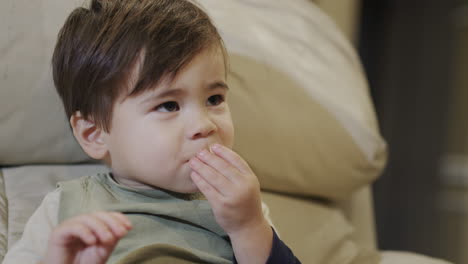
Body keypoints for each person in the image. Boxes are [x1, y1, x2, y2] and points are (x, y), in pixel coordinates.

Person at [3, 0, 300, 263]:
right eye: (169, 105)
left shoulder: (238, 206)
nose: (204, 125)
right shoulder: (68, 207)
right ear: (93, 134)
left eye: (214, 99)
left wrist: (248, 227)